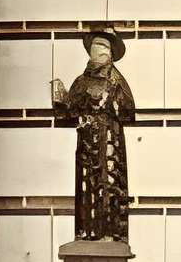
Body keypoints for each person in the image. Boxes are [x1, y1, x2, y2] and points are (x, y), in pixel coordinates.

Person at [50, 25, 137, 242]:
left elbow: (128, 109)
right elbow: (68, 112)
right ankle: (87, 230)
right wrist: (59, 99)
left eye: (105, 45)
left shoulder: (116, 80)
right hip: (87, 140)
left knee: (108, 184)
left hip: (108, 140)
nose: (100, 49)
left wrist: (108, 111)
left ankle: (110, 231)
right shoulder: (81, 81)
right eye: (97, 44)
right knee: (87, 184)